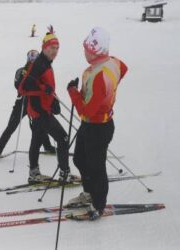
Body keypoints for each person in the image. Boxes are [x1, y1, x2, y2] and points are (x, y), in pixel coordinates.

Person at [66, 27, 128, 220]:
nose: (84, 52)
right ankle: (89, 192)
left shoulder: (99, 76)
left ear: (96, 51)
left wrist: (73, 92)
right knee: (79, 159)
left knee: (96, 167)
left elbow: (86, 110)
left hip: (98, 127)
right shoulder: (113, 62)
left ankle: (98, 206)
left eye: (87, 49)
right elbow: (123, 69)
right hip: (90, 124)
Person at [18, 26, 70, 184]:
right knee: (63, 139)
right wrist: (44, 90)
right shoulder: (39, 64)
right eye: (51, 48)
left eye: (57, 48)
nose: (55, 51)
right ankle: (64, 173)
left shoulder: (46, 62)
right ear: (44, 48)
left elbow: (45, 86)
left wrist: (52, 98)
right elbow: (24, 87)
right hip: (40, 111)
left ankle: (34, 173)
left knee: (37, 139)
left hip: (40, 109)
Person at [0, 49, 56, 160]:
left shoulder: (41, 71)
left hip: (34, 103)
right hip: (21, 104)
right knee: (11, 127)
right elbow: (18, 85)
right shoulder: (21, 71)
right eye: (31, 61)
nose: (33, 63)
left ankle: (47, 146)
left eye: (35, 61)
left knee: (40, 125)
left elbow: (46, 87)